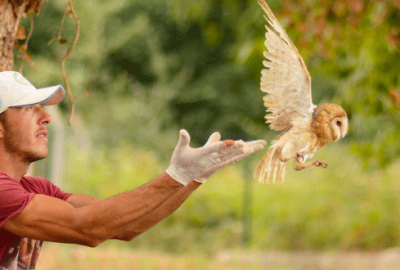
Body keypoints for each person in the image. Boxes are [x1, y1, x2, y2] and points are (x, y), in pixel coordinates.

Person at [0, 71, 266, 270]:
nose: (45, 116)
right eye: (27, 108)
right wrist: (176, 176)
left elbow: (124, 226)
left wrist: (193, 177)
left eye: (41, 107)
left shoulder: (35, 188)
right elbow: (86, 229)